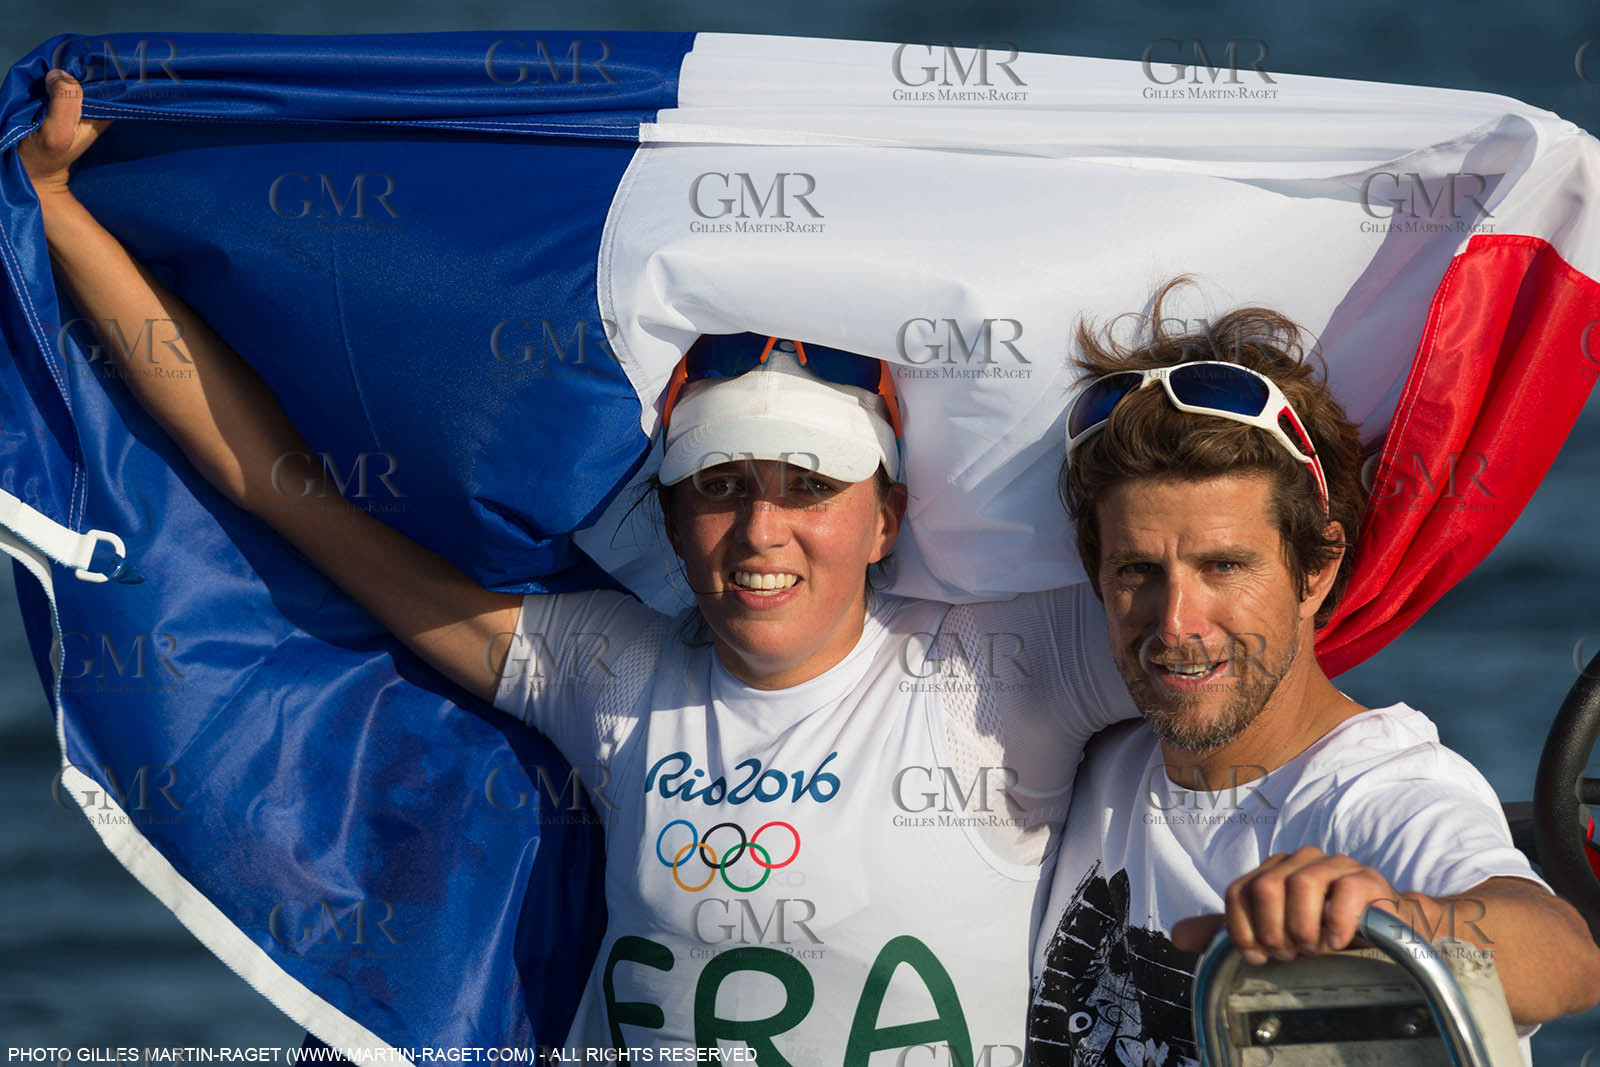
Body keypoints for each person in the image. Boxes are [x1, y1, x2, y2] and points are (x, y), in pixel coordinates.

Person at [24, 70, 1137, 1060]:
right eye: (718, 484)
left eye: (810, 486)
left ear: (887, 517)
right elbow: (291, 498)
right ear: (665, 513)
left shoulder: (1003, 668)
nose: (760, 531)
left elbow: (1266, 612)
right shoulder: (614, 674)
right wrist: (58, 212)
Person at [1024, 282, 1600, 1064]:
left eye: (1224, 565)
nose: (1174, 622)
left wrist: (1386, 920)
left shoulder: (1378, 791)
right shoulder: (1090, 761)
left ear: (1318, 567)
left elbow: (1566, 959)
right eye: (1137, 570)